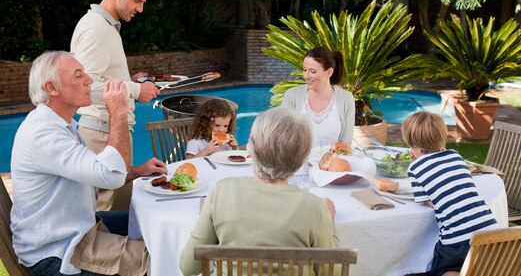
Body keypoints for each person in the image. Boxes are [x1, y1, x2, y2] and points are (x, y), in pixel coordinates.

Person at [11, 51, 167, 276]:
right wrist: (118, 111)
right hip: (57, 252)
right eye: (78, 75)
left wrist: (138, 171)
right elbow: (110, 175)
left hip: (76, 229)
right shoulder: (44, 135)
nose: (89, 80)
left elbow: (96, 175)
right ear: (51, 88)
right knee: (157, 260)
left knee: (151, 223)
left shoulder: (61, 125)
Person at [179, 106, 339, 276]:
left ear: (251, 147)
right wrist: (329, 222)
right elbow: (331, 273)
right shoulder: (314, 208)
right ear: (303, 157)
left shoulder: (221, 191)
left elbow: (189, 267)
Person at [70, 0, 160, 211]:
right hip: (102, 135)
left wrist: (131, 79)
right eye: (137, 1)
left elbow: (102, 77)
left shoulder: (105, 26)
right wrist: (135, 90)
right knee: (107, 216)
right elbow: (85, 88)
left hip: (110, 131)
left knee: (120, 210)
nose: (140, 9)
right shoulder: (96, 29)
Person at [402, 112, 498, 276]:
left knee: (443, 270)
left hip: (456, 240)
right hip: (490, 230)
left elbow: (428, 202)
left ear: (417, 148)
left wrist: (415, 163)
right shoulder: (456, 156)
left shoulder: (415, 168)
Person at [281, 46, 355, 147]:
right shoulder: (292, 96)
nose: (306, 76)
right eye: (304, 69)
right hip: (297, 161)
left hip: (332, 161)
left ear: (329, 72)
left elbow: (346, 144)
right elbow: (281, 136)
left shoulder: (346, 99)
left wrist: (330, 160)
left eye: (313, 71)